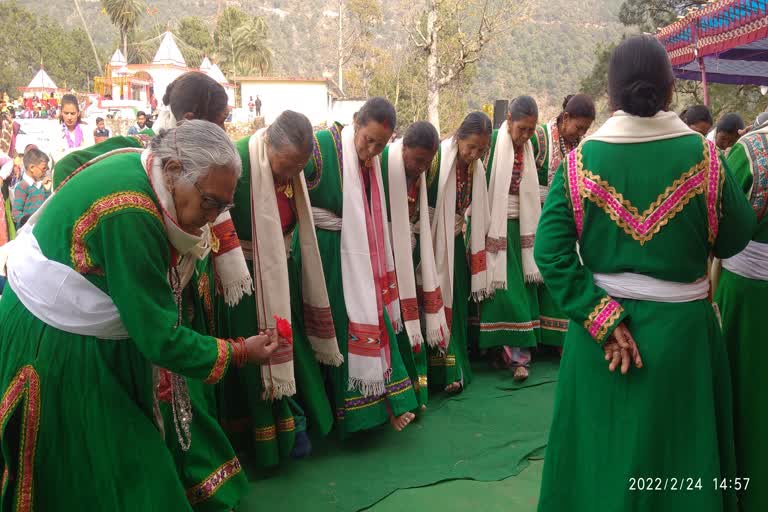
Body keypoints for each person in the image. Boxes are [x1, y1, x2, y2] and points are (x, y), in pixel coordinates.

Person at [0, 120, 281, 510]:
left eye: (224, 206)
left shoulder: (146, 164)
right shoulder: (133, 213)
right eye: (209, 202)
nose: (214, 217)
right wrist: (241, 352)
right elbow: (159, 338)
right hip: (55, 337)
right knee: (100, 459)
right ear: (173, 170)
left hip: (86, 327)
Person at [535, 35, 755, 512]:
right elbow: (738, 237)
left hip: (601, 346)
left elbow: (550, 253)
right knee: (681, 461)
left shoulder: (578, 164)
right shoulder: (705, 158)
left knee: (600, 458)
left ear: (610, 94)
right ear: (670, 89)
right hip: (684, 341)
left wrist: (601, 318)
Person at [220, 110, 341, 467]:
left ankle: (299, 428)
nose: (291, 176)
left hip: (280, 271)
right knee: (257, 357)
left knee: (290, 348)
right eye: (285, 166)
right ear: (267, 145)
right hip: (242, 281)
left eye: (298, 169)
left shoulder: (293, 169)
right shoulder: (237, 159)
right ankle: (269, 442)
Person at [296, 97, 419, 435]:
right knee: (336, 324)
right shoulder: (319, 146)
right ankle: (344, 412)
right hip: (322, 251)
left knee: (370, 317)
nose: (372, 151)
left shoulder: (372, 163)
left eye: (380, 145)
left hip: (359, 252)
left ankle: (383, 405)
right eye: (368, 140)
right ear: (355, 122)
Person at [714, 122, 768, 512]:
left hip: (749, 296)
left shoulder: (752, 150)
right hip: (749, 284)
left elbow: (718, 223)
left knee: (746, 392)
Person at [426, 111, 492, 394]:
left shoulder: (477, 169)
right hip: (430, 243)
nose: (474, 154)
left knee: (456, 309)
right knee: (436, 304)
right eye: (471, 147)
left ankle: (456, 368)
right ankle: (439, 373)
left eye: (482, 149)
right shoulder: (437, 160)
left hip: (454, 242)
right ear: (458, 137)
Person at [380, 121, 444, 408]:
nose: (421, 168)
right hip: (382, 258)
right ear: (402, 147)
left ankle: (417, 390)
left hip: (409, 254)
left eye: (426, 162)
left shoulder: (423, 172)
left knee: (412, 320)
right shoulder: (381, 164)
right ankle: (393, 395)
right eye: (417, 160)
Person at [478, 97, 542, 381]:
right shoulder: (490, 144)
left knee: (519, 295)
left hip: (521, 229)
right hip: (494, 227)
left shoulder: (531, 148)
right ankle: (500, 353)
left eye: (531, 130)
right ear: (508, 122)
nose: (526, 136)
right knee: (499, 293)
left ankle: (519, 358)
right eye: (522, 129)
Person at [531, 94, 596, 349]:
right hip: (531, 214)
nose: (581, 133)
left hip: (561, 220)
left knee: (561, 273)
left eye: (586, 129)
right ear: (565, 118)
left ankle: (557, 339)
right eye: (579, 127)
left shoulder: (578, 148)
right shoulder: (538, 137)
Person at [11, 148, 50, 227]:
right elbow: (16, 212)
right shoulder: (22, 186)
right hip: (27, 231)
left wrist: (47, 190)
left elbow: (46, 206)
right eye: (44, 169)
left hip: (39, 228)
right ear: (32, 168)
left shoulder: (41, 186)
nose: (46, 172)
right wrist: (27, 222)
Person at [53, 93, 93, 161]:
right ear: (61, 112)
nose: (69, 117)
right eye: (66, 113)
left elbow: (90, 152)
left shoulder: (86, 130)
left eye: (72, 113)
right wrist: (79, 151)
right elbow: (56, 157)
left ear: (78, 113)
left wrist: (67, 152)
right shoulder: (55, 131)